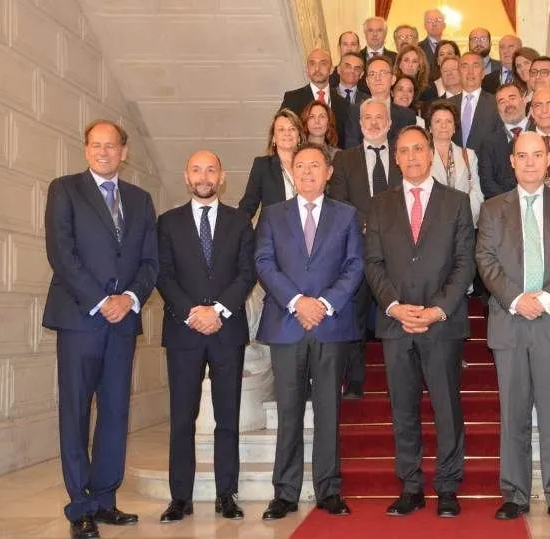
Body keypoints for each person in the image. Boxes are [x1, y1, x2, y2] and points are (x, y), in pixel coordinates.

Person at [43, 119, 158, 539]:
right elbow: (62, 253)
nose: (104, 152)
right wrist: (100, 300)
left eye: (111, 146)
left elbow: (150, 262)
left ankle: (106, 499)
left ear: (124, 152)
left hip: (122, 321)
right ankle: (80, 506)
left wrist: (128, 299)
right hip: (80, 318)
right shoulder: (65, 190)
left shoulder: (141, 200)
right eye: (96, 145)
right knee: (75, 410)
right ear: (87, 149)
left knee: (115, 410)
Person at [475, 131, 550, 524]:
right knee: (514, 413)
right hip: (510, 322)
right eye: (521, 155)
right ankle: (515, 494)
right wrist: (516, 298)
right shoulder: (492, 209)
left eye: (536, 155)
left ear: (548, 159)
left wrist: (544, 299)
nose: (528, 162)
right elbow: (485, 260)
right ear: (511, 161)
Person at [364, 126, 475, 518]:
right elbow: (373, 263)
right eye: (404, 151)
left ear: (430, 154)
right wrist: (394, 306)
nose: (411, 157)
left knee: (447, 408)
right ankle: (411, 486)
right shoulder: (379, 205)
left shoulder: (457, 202)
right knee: (403, 410)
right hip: (396, 325)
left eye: (418, 149)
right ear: (395, 157)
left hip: (441, 324)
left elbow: (465, 263)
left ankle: (447, 487)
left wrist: (436, 309)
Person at [254, 143, 364, 521]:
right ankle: (284, 493)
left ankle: (329, 490)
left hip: (331, 325)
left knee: (329, 411)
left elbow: (354, 265)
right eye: (300, 166)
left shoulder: (347, 215)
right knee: (288, 412)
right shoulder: (272, 215)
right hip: (287, 325)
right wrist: (297, 301)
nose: (306, 172)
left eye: (314, 165)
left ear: (328, 172)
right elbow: (264, 262)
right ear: (291, 172)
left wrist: (324, 304)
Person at [155, 150, 256, 524]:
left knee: (227, 417)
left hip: (227, 330)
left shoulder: (241, 221)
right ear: (186, 176)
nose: (203, 176)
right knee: (182, 417)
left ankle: (225, 495)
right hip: (184, 331)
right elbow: (162, 274)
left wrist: (219, 311)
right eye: (196, 169)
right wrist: (192, 312)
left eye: (210, 169)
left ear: (221, 176)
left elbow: (247, 273)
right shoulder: (167, 222)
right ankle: (180, 497)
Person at [329, 98, 404, 400]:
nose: (374, 123)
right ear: (360, 124)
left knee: (397, 311)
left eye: (379, 118)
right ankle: (356, 380)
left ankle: (401, 377)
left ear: (389, 123)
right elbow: (339, 200)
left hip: (399, 250)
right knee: (356, 315)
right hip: (357, 249)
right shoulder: (344, 160)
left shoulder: (403, 157)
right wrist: (370, 225)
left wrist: (386, 229)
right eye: (367, 118)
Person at [238, 109, 304, 218]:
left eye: (292, 129)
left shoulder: (308, 166)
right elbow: (248, 205)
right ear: (273, 138)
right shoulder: (262, 165)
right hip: (271, 233)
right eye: (281, 129)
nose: (287, 133)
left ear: (299, 137)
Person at [279, 49, 349, 147]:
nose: (317, 68)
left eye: (323, 63)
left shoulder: (344, 104)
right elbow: (281, 133)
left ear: (332, 69)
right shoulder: (292, 99)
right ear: (307, 70)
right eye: (312, 64)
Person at [428, 100, 484, 224]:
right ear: (430, 128)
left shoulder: (468, 155)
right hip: (431, 225)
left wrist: (465, 219)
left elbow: (477, 192)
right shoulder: (421, 156)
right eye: (438, 121)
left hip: (463, 223)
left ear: (454, 128)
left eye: (448, 121)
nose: (444, 125)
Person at [344, 56, 417, 148]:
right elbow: (352, 148)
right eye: (372, 74)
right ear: (367, 82)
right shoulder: (355, 111)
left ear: (393, 79)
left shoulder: (407, 116)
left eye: (383, 73)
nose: (377, 78)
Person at [478, 83, 532, 199]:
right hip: (503, 210)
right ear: (497, 108)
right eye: (502, 102)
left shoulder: (540, 135)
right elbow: (487, 183)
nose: (508, 104)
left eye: (512, 98)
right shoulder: (488, 143)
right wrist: (511, 204)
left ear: (523, 99)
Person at [451, 52, 504, 152]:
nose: (470, 72)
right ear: (458, 73)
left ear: (483, 73)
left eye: (475, 66)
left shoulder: (496, 103)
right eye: (464, 67)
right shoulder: (447, 105)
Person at [419, 9, 446, 75]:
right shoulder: (418, 48)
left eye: (438, 20)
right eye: (430, 21)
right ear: (424, 26)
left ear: (444, 25)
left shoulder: (450, 48)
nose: (434, 24)